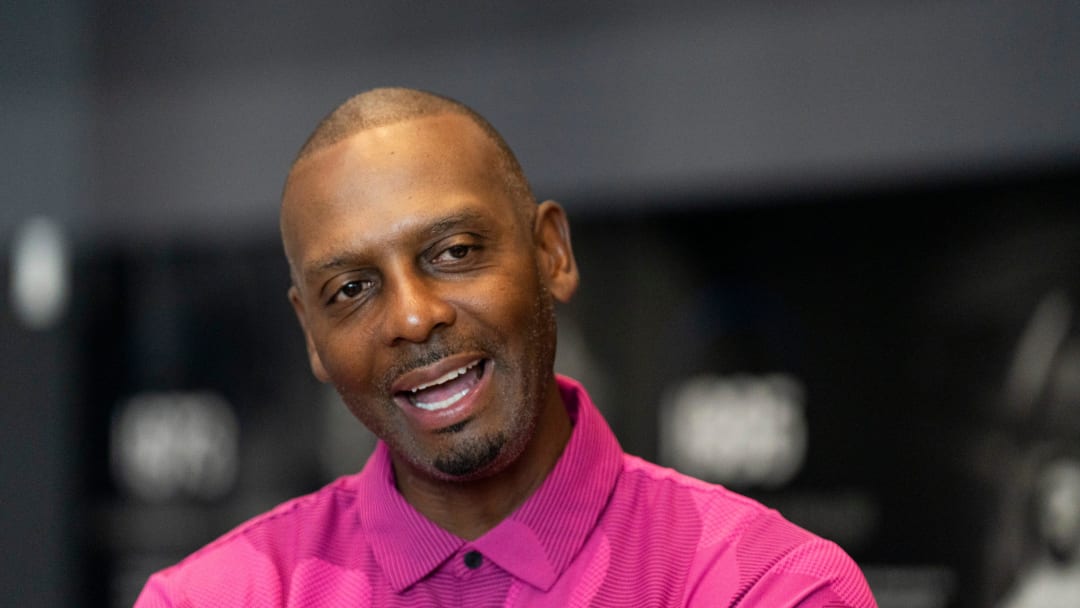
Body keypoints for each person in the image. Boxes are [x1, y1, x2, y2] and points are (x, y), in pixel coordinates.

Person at [135, 87, 877, 607]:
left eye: (454, 252)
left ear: (551, 252)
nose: (415, 317)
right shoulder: (212, 598)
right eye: (351, 291)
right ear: (312, 337)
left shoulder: (763, 587)